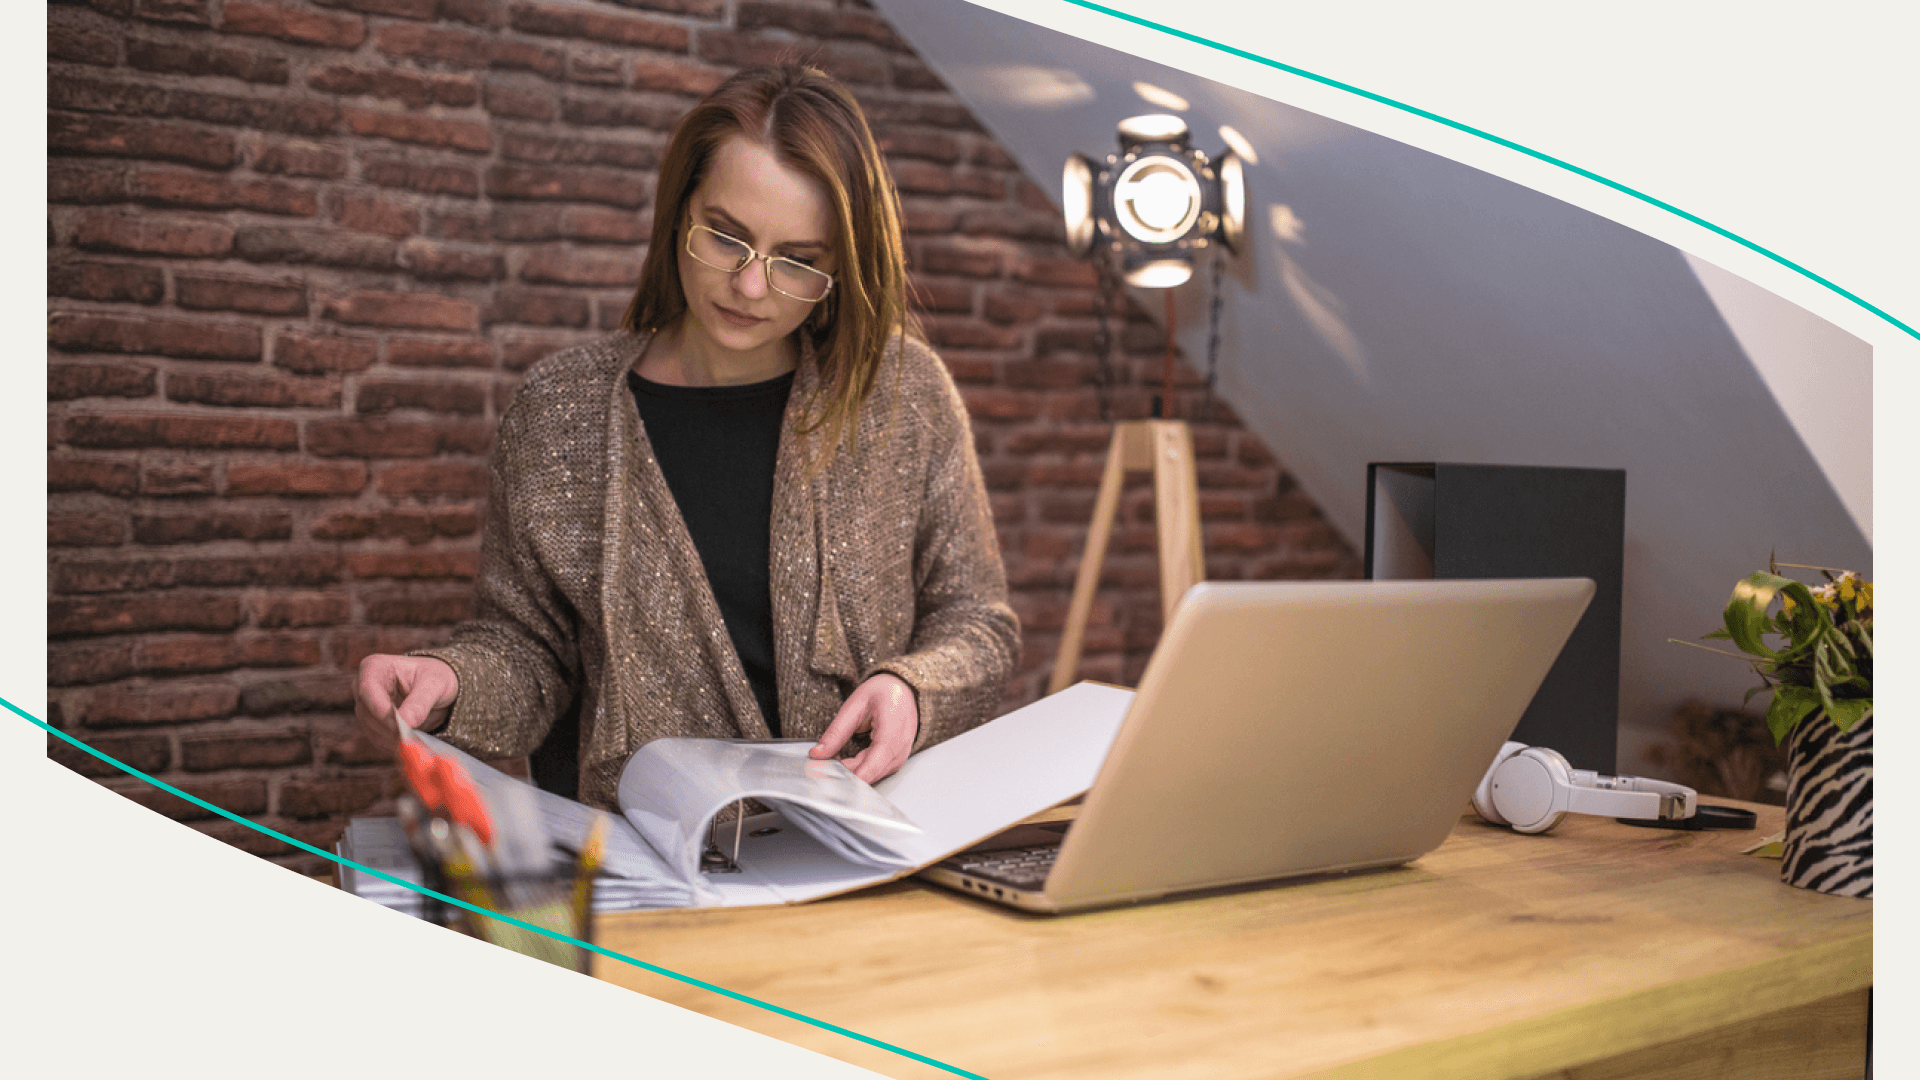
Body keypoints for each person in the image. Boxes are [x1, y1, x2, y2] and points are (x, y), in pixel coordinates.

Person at [351, 64, 1019, 810]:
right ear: (679, 212)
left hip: (869, 838)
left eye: (799, 261)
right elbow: (530, 653)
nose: (752, 286)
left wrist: (912, 689)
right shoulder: (559, 412)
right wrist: (451, 681)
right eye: (726, 237)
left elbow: (979, 624)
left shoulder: (901, 393)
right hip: (647, 854)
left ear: (841, 265)